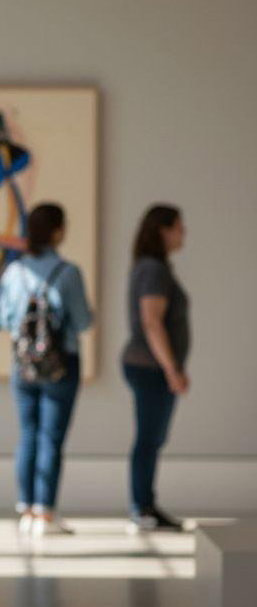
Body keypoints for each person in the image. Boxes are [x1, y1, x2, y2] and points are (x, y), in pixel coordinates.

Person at [0, 203, 94, 537]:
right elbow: (83, 321)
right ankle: (45, 512)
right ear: (57, 231)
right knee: (51, 437)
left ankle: (26, 509)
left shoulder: (13, 271)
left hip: (22, 362)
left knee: (28, 433)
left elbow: (6, 320)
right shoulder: (68, 272)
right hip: (61, 362)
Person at [120, 204, 190, 532]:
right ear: (164, 230)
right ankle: (143, 508)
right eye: (179, 226)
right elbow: (152, 322)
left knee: (151, 438)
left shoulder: (152, 268)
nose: (184, 233)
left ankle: (145, 505)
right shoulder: (154, 270)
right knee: (149, 439)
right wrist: (172, 368)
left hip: (150, 367)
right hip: (150, 368)